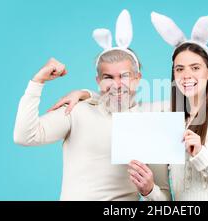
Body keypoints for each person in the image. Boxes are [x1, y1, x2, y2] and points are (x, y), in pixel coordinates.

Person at [52, 11, 208, 200]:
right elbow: (122, 99)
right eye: (179, 69)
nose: (187, 75)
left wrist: (201, 154)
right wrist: (87, 94)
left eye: (195, 68)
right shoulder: (172, 117)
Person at [13, 10, 170, 201]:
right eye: (108, 78)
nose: (117, 84)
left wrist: (148, 190)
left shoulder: (152, 122)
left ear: (138, 79)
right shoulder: (78, 110)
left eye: (125, 76)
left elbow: (165, 202)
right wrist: (38, 81)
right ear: (98, 80)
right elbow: (24, 136)